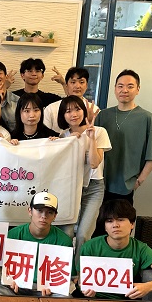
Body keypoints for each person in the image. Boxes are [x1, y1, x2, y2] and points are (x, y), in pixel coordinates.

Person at [78, 199, 152, 300]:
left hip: (126, 300)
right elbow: (79, 279)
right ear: (105, 227)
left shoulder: (140, 248)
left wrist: (147, 287)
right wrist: (85, 289)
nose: (115, 225)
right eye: (109, 221)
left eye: (120, 220)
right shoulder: (89, 246)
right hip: (91, 299)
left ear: (132, 224)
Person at [0, 192, 75, 297]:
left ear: (55, 216)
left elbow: (66, 277)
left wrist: (54, 287)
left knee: (66, 297)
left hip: (46, 290)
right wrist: (9, 280)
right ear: (30, 211)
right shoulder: (13, 234)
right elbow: (3, 268)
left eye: (49, 212)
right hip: (17, 286)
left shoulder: (64, 241)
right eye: (39, 211)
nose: (44, 216)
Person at [95, 69, 152, 206]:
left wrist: (140, 180)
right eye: (120, 86)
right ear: (115, 88)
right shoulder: (103, 115)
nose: (124, 90)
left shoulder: (146, 118)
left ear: (138, 89)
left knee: (120, 219)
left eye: (130, 86)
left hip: (125, 186)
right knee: (97, 219)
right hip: (99, 182)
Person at [57, 95, 111, 261]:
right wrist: (59, 143)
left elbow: (94, 163)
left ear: (84, 111)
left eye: (77, 109)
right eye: (68, 111)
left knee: (83, 235)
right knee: (66, 233)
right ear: (63, 116)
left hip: (94, 188)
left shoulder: (100, 131)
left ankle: (79, 271)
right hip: (71, 188)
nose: (73, 114)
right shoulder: (63, 136)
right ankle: (64, 269)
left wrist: (91, 137)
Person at [43, 67, 99, 134]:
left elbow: (98, 134)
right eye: (73, 82)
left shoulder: (94, 109)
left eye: (81, 82)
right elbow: (44, 135)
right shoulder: (51, 109)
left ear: (86, 85)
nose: (77, 86)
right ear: (66, 85)